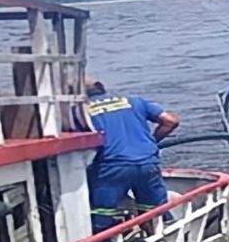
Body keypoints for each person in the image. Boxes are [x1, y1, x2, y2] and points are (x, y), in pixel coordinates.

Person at [76, 77, 180, 232]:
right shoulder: (133, 100)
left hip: (112, 166)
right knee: (155, 210)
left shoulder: (81, 110)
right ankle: (163, 239)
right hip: (147, 162)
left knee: (102, 212)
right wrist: (151, 142)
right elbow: (170, 121)